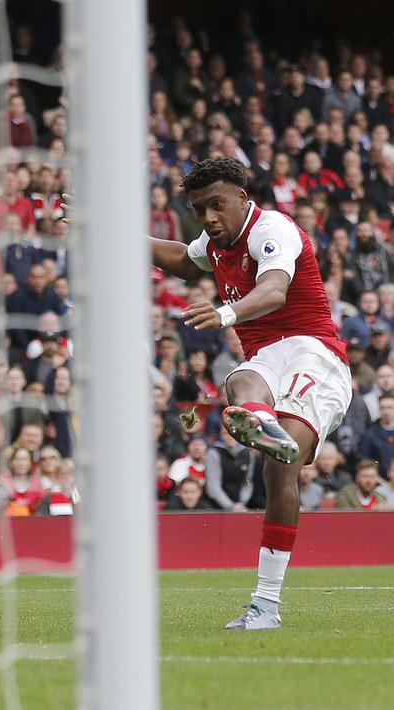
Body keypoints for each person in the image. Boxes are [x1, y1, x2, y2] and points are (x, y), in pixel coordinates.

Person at [150, 157, 352, 629]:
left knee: (281, 468)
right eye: (201, 210)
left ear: (243, 198)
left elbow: (275, 290)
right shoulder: (215, 242)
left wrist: (224, 314)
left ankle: (265, 603)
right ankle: (262, 421)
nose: (210, 218)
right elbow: (183, 258)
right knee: (239, 382)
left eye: (217, 205)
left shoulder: (272, 230)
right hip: (266, 362)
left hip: (315, 356)